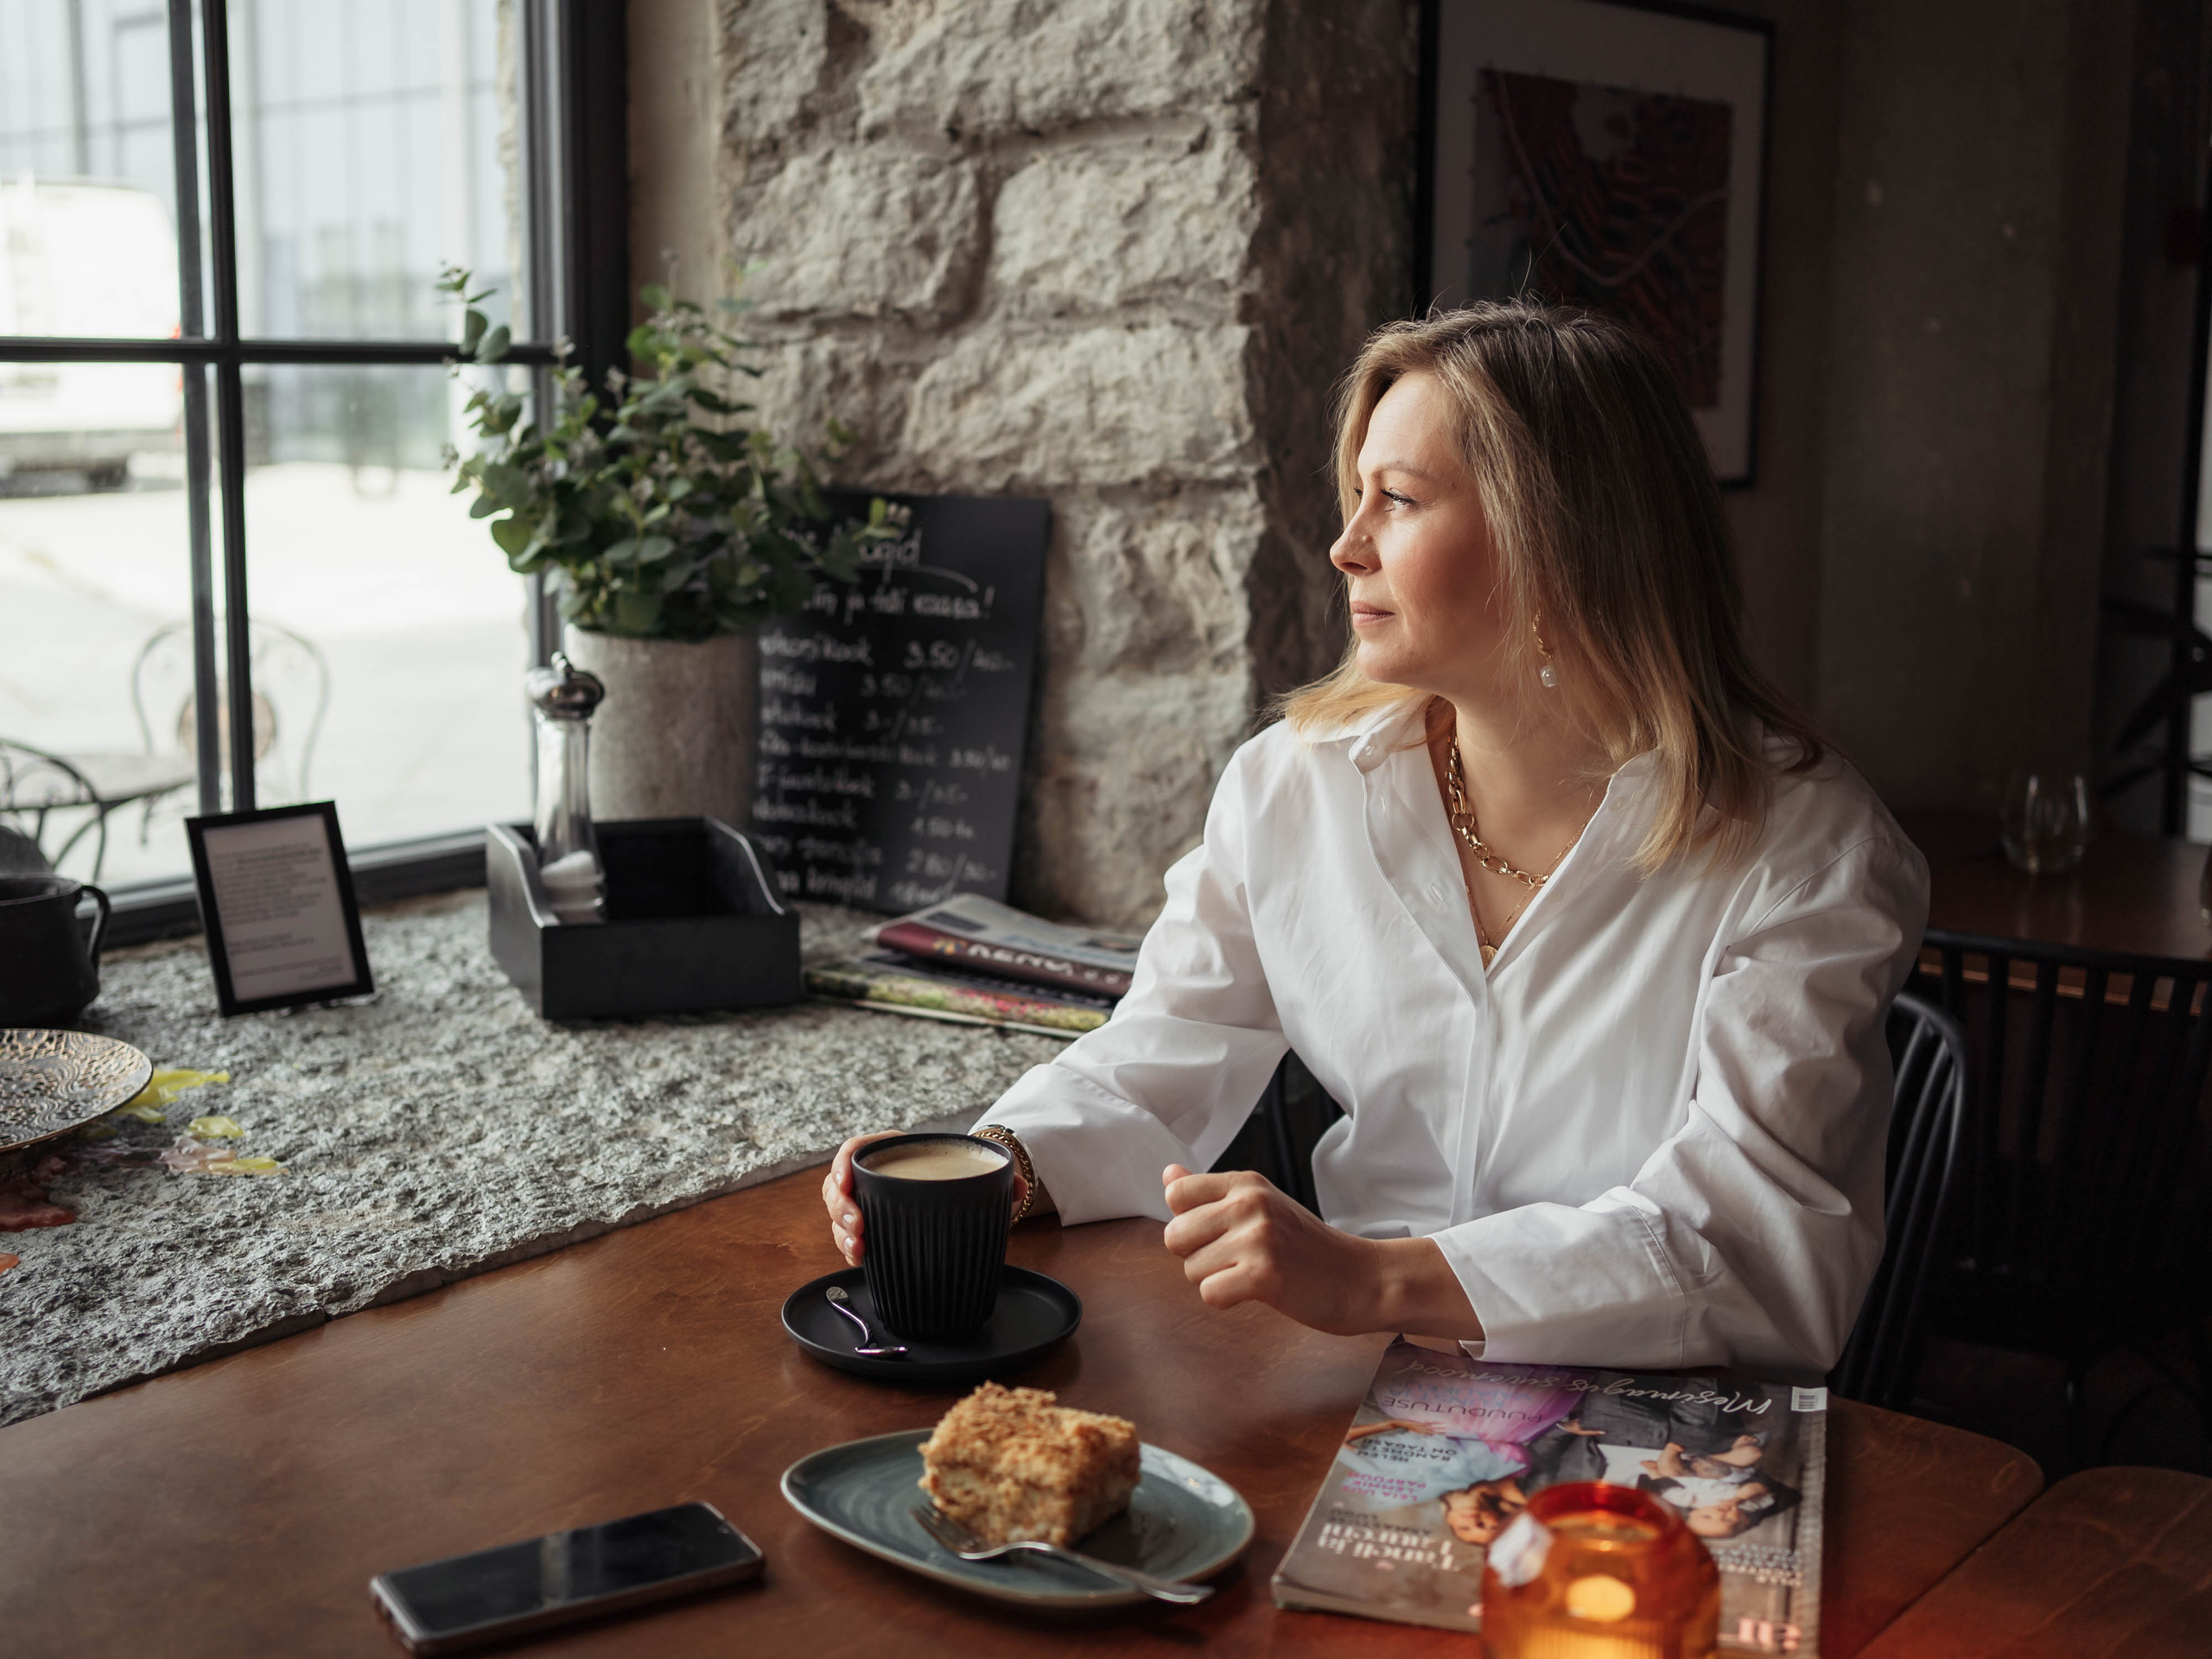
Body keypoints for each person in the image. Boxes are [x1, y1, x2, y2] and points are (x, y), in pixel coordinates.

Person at [823, 300, 1929, 1380]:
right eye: (1356, 497)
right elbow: (1163, 1054)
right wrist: (993, 1169)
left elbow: (1751, 1251)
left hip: (1659, 1416)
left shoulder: (1807, 849)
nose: (1347, 548)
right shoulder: (1290, 787)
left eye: (1396, 500)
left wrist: (1373, 1281)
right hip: (1349, 1388)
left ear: (1561, 542)